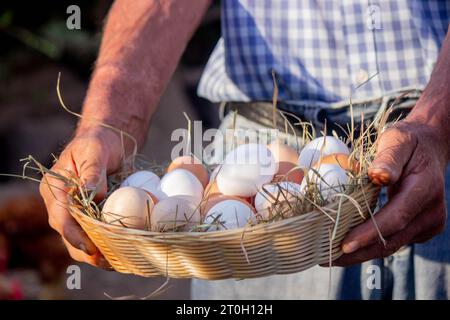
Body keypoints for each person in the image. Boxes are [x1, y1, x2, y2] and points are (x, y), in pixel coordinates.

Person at [39, 0, 450, 299]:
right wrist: (108, 125)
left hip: (434, 144)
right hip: (262, 178)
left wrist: (437, 122)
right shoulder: (242, 193)